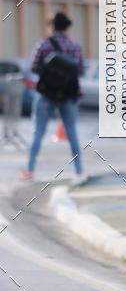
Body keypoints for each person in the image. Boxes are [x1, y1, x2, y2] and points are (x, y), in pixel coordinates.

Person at [19, 12, 87, 186]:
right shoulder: (75, 46)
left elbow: (33, 67)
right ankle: (79, 171)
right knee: (71, 132)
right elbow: (80, 70)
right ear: (67, 27)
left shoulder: (43, 44)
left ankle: (29, 170)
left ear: (52, 26)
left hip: (46, 94)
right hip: (68, 96)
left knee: (38, 132)